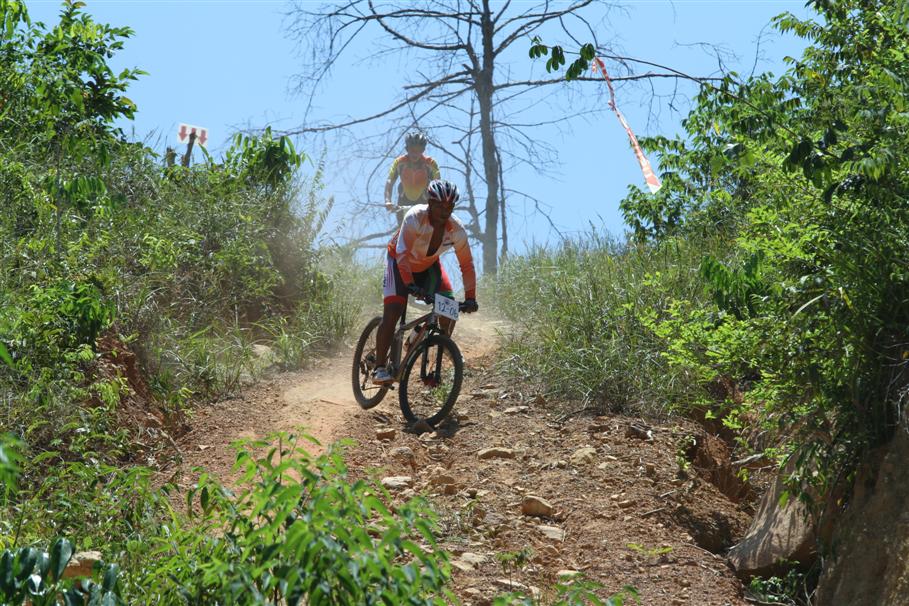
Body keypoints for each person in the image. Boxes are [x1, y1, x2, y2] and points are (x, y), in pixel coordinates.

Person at [372, 179, 479, 386]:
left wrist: (470, 298)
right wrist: (410, 284)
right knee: (394, 310)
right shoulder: (415, 217)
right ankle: (379, 368)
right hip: (399, 262)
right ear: (430, 203)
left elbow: (467, 264)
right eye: (440, 206)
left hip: (428, 265)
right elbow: (402, 254)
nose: (444, 211)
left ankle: (436, 342)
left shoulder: (456, 229)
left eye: (449, 206)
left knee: (449, 307)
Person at [384, 131, 441, 218]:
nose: (415, 153)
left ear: (423, 150)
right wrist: (387, 201)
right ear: (407, 149)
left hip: (424, 203)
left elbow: (438, 185)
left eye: (418, 150)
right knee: (403, 226)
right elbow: (390, 182)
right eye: (412, 149)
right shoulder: (399, 162)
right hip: (403, 203)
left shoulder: (431, 164)